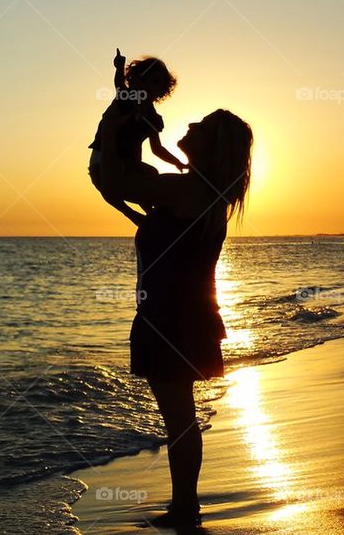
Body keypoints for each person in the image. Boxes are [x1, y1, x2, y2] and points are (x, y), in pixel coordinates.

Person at [97, 104, 253, 527]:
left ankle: (185, 507)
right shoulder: (200, 192)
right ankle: (185, 503)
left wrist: (112, 119)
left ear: (213, 145)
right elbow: (130, 184)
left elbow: (112, 180)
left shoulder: (191, 191)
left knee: (179, 417)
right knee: (179, 415)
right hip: (179, 313)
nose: (189, 125)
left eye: (200, 126)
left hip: (172, 317)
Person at [89, 49, 187, 226]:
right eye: (143, 79)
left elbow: (157, 149)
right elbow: (119, 83)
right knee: (106, 186)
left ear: (163, 90)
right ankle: (131, 214)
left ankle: (152, 212)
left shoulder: (153, 119)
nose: (147, 85)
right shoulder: (126, 99)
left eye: (155, 82)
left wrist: (177, 162)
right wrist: (119, 67)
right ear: (133, 80)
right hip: (102, 159)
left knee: (151, 174)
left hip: (130, 163)